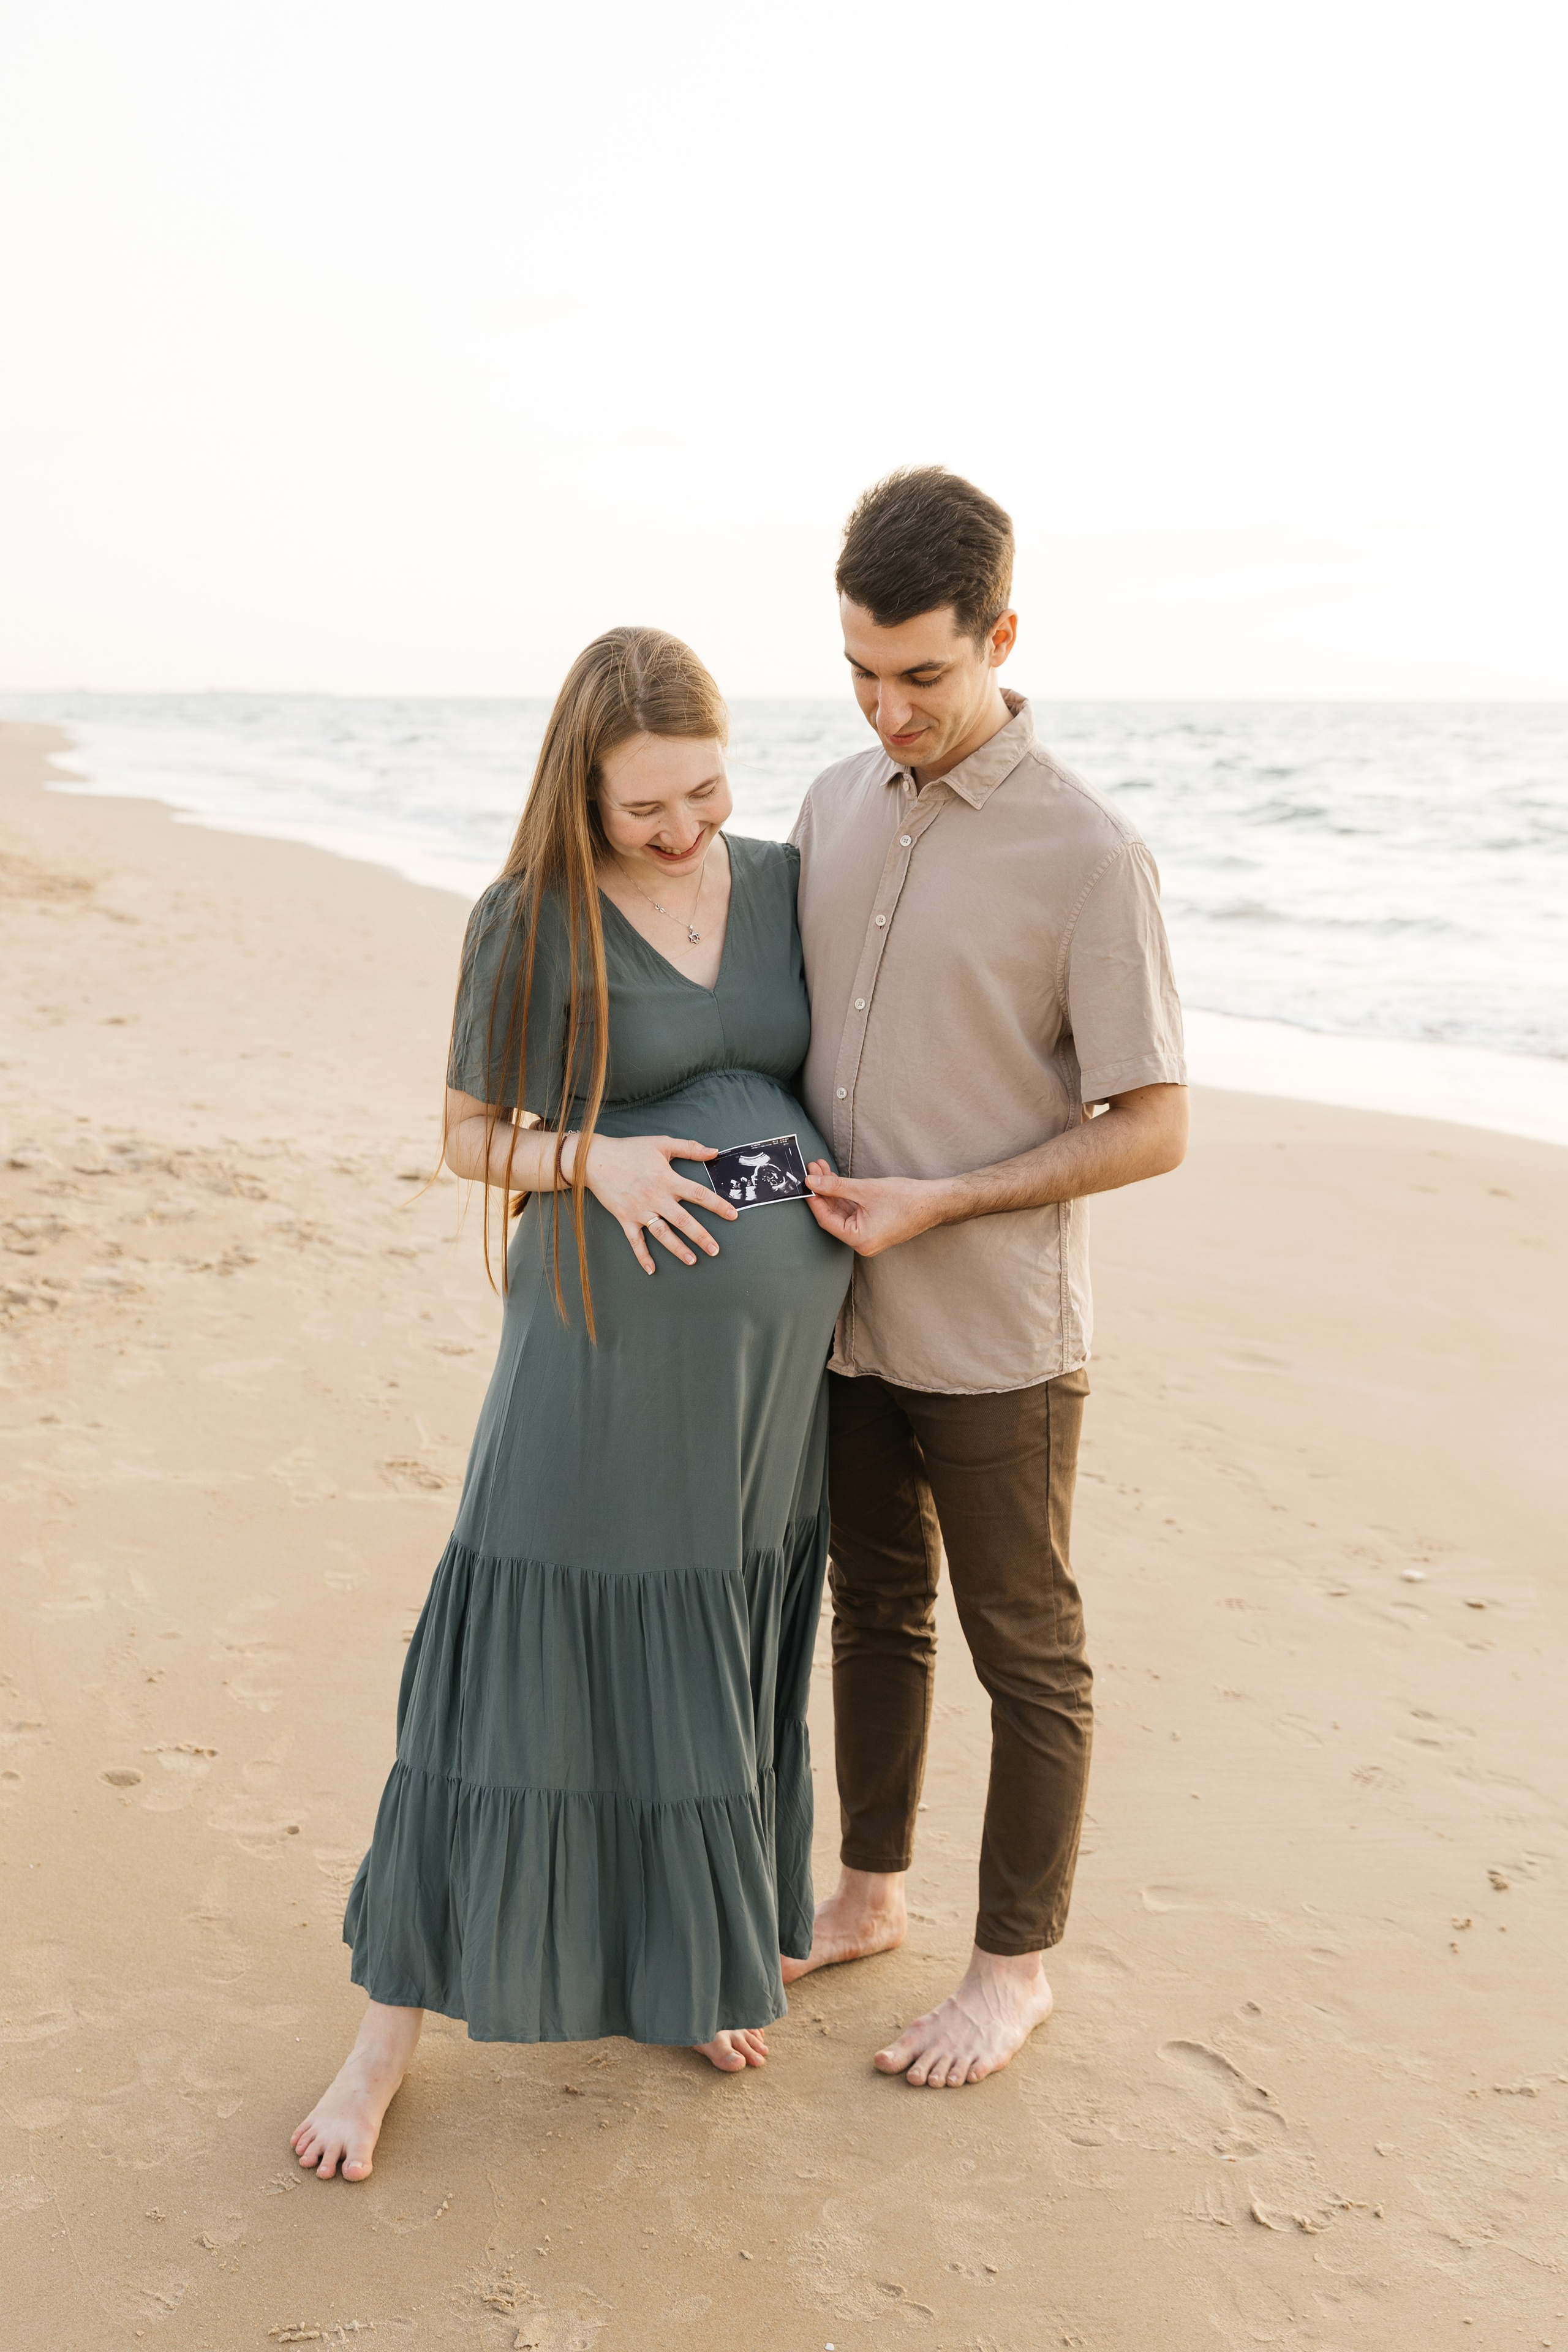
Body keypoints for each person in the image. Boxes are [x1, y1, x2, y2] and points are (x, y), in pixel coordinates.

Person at [292, 628, 850, 2180]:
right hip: (599, 1357)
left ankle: (687, 1966)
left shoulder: (786, 878)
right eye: (642, 811)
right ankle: (378, 2049)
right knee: (509, 1669)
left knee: (713, 1655)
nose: (681, 832)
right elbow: (470, 1134)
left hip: (757, 1387)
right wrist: (586, 1158)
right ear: (578, 794)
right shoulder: (523, 918)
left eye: (703, 794)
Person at [787, 469, 1189, 2088]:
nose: (889, 710)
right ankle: (869, 1896)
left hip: (1000, 1334)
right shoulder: (827, 807)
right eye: (863, 676)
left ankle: (1013, 1973)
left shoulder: (1092, 854)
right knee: (870, 1611)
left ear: (1004, 636)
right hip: (839, 1322)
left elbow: (1153, 1122)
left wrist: (949, 1199)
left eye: (925, 678)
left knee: (1027, 1646)